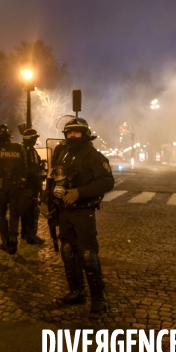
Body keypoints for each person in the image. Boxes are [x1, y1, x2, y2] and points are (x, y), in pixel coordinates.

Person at [50, 117, 114, 318]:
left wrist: (80, 192)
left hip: (83, 211)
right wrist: (46, 200)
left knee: (87, 254)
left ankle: (98, 299)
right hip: (65, 211)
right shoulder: (65, 154)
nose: (72, 136)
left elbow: (106, 182)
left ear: (85, 134)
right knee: (68, 251)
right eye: (69, 133)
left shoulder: (94, 156)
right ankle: (77, 291)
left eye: (76, 132)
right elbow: (54, 180)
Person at [0, 124, 26, 254]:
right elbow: (25, 169)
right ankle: (13, 240)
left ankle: (5, 241)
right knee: (14, 214)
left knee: (0, 214)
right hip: (16, 188)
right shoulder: (19, 149)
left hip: (1, 188)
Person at [19, 129, 45, 245]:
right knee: (33, 211)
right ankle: (31, 236)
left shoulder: (20, 149)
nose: (36, 141)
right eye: (35, 138)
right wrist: (40, 187)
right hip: (31, 186)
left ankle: (24, 233)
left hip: (22, 186)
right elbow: (34, 171)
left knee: (24, 210)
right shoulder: (31, 151)